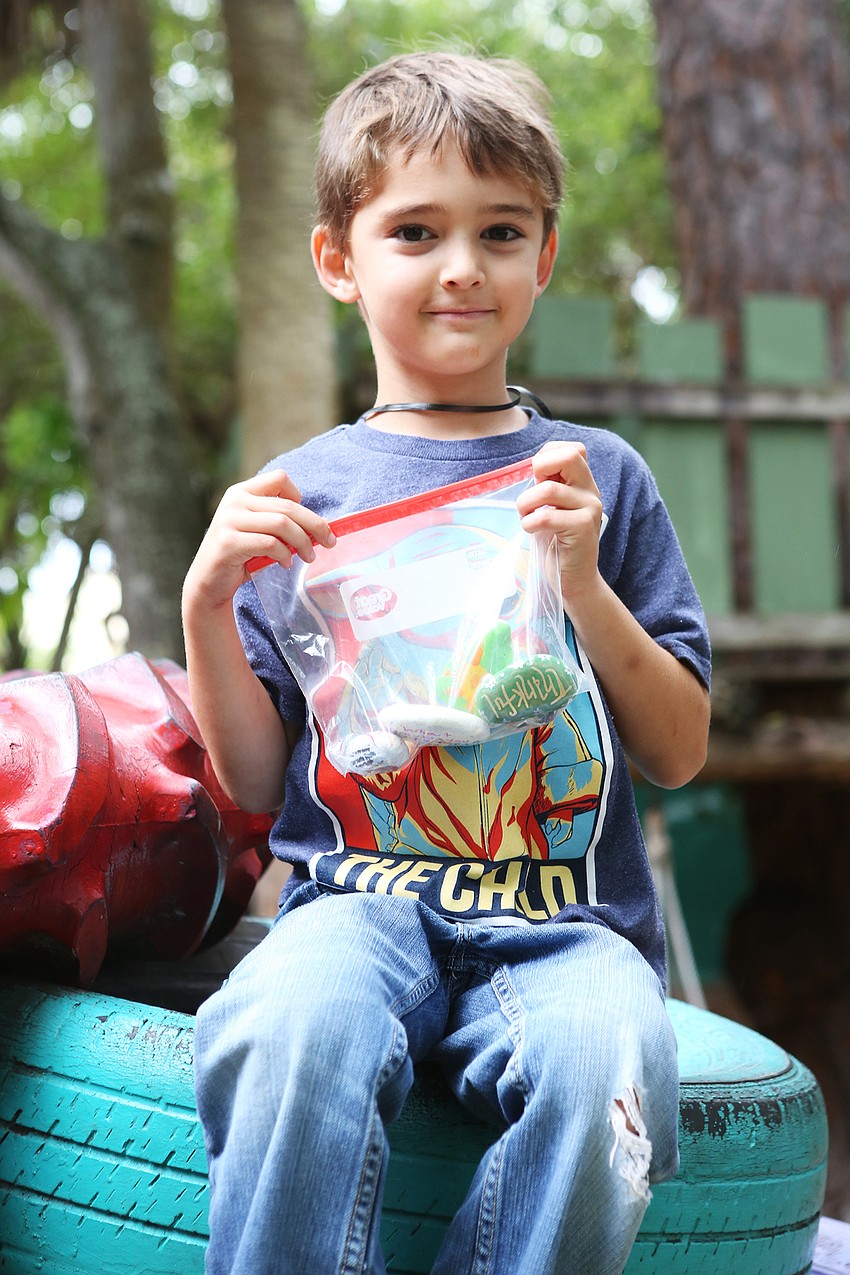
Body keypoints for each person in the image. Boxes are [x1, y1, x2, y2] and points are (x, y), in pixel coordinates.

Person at [183, 49, 711, 1275]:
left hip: (570, 928)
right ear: (338, 259)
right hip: (349, 910)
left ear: (545, 256)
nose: (461, 265)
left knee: (607, 1065)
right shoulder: (296, 498)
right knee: (283, 1025)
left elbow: (679, 749)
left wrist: (581, 585)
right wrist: (209, 602)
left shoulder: (595, 479)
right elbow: (260, 783)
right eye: (414, 230)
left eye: (500, 230)